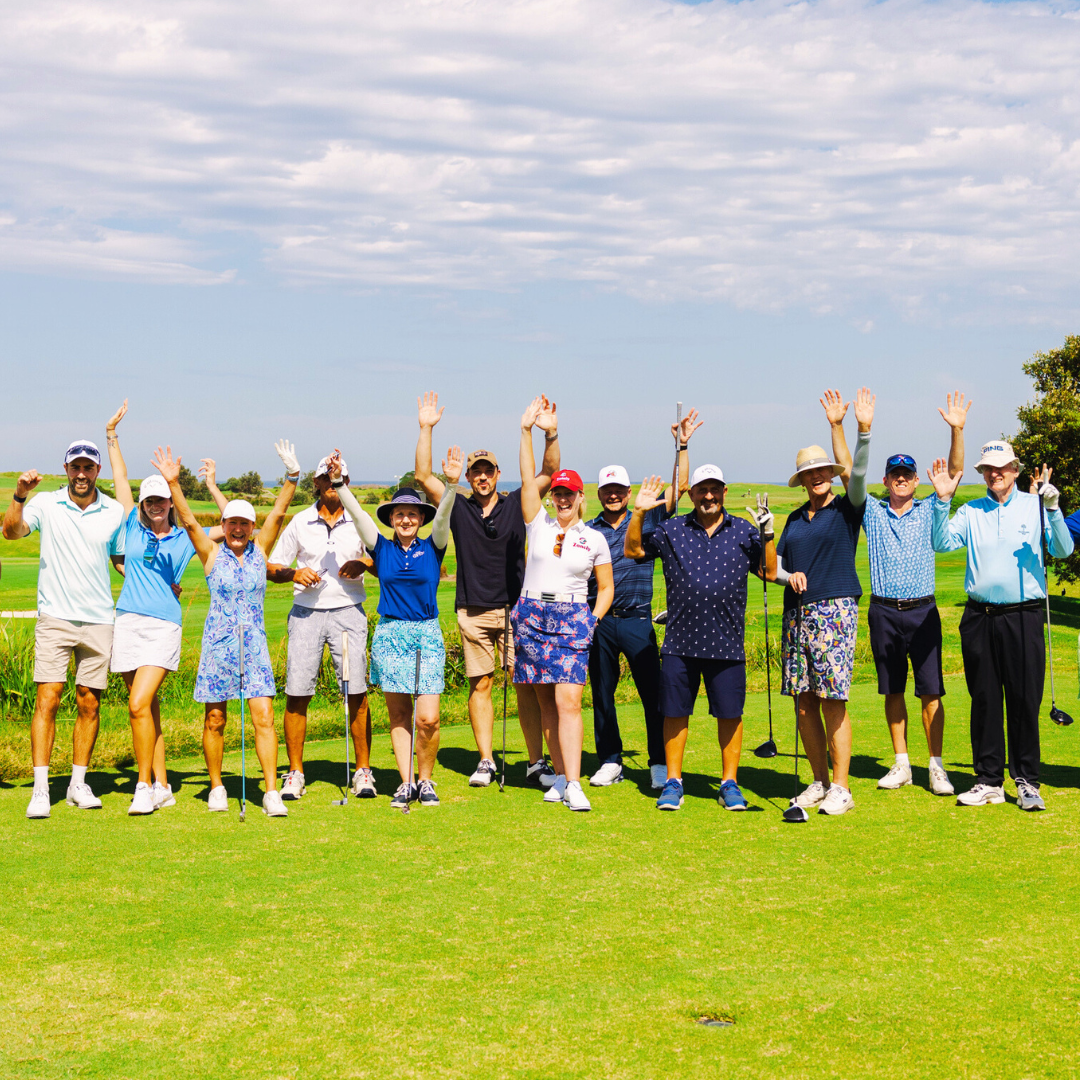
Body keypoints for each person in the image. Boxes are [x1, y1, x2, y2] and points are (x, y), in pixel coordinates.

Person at [413, 391, 560, 788]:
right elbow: (422, 475)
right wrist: (426, 428)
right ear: (469, 477)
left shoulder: (518, 503)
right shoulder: (455, 505)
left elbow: (548, 472)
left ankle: (535, 762)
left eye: (487, 471)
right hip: (473, 609)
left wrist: (549, 435)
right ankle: (484, 761)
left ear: (497, 475)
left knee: (526, 684)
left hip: (517, 609)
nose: (480, 476)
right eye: (475, 471)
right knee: (481, 685)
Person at [829, 390, 969, 797]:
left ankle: (936, 766)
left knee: (930, 691)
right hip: (884, 612)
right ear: (887, 480)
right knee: (892, 689)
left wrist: (956, 432)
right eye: (896, 474)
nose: (903, 478)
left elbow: (954, 473)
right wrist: (848, 427)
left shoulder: (931, 508)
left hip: (923, 611)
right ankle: (902, 762)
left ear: (916, 479)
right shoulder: (870, 510)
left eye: (908, 473)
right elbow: (848, 473)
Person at [156, 441, 299, 816]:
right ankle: (217, 787)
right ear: (223, 526)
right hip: (218, 646)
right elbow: (186, 520)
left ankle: (270, 792)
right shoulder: (212, 553)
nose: (237, 528)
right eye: (231, 523)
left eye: (244, 523)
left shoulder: (261, 549)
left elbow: (279, 514)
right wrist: (174, 484)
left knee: (263, 717)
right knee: (215, 718)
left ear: (252, 527)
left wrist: (292, 477)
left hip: (254, 646)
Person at [931, 443, 1073, 810]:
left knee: (1025, 699)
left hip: (1023, 615)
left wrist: (1054, 510)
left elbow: (1062, 550)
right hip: (979, 616)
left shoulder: (1035, 504)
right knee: (985, 699)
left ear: (1015, 469)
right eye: (988, 469)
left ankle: (1027, 781)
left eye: (1002, 467)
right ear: (982, 473)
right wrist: (941, 501)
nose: (995, 474)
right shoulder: (972, 510)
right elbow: (941, 542)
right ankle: (988, 780)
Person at [625, 465, 776, 811]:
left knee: (730, 715)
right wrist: (638, 512)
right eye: (701, 490)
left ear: (724, 492)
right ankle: (674, 781)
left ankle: (729, 783)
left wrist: (767, 536)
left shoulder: (743, 530)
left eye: (715, 489)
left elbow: (767, 571)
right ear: (691, 494)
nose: (708, 496)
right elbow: (633, 551)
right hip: (680, 642)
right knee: (675, 713)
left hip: (727, 641)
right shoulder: (672, 528)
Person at [3, 439, 126, 820]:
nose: (82, 474)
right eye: (76, 467)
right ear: (66, 469)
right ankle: (41, 790)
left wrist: (158, 581)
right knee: (49, 698)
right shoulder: (44, 503)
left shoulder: (115, 511)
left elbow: (120, 560)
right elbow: (10, 532)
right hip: (55, 616)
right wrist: (20, 496)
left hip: (99, 618)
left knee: (90, 701)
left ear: (97, 472)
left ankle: (77, 784)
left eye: (89, 467)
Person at [331, 452, 459, 809]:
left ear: (421, 518)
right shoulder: (382, 548)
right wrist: (340, 484)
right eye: (399, 513)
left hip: (426, 635)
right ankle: (406, 783)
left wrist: (450, 485)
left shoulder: (433, 546)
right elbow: (357, 516)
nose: (405, 519)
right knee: (400, 715)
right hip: (391, 635)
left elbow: (445, 515)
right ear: (391, 519)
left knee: (428, 718)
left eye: (412, 513)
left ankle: (426, 779)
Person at [586, 409, 700, 790]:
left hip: (637, 620)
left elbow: (680, 485)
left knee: (654, 694)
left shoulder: (649, 517)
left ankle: (656, 761)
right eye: (607, 490)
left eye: (620, 489)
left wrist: (681, 445)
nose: (614, 494)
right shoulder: (589, 530)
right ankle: (610, 759)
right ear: (599, 493)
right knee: (602, 693)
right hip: (600, 620)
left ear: (629, 492)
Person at [775, 387, 874, 817]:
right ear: (802, 480)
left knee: (833, 698)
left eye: (821, 470)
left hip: (834, 609)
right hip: (795, 615)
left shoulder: (848, 507)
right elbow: (770, 567)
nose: (816, 476)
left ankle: (841, 787)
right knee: (803, 701)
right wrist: (784, 571)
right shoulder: (795, 519)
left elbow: (857, 473)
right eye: (809, 473)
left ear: (830, 475)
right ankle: (817, 780)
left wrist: (846, 427)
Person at [512, 399, 614, 811]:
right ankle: (557, 775)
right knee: (544, 701)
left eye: (569, 493)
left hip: (572, 616)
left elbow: (605, 588)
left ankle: (573, 782)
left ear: (579, 496)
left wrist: (591, 620)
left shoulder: (595, 538)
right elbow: (525, 479)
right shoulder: (537, 523)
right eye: (557, 492)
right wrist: (526, 432)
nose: (563, 498)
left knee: (569, 701)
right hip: (532, 614)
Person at [104, 400, 198, 815]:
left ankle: (142, 786)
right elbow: (120, 478)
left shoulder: (181, 538)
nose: (156, 506)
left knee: (138, 704)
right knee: (148, 710)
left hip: (163, 625)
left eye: (162, 501)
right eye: (150, 502)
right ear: (142, 505)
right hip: (126, 621)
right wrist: (112, 435)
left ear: (168, 502)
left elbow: (227, 530)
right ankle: (162, 784)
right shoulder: (131, 524)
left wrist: (176, 483)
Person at [267, 455, 376, 801]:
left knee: (355, 691)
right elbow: (272, 567)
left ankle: (362, 772)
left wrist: (364, 562)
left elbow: (383, 559)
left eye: (338, 478)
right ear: (315, 484)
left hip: (348, 613)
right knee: (297, 692)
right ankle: (295, 773)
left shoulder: (359, 519)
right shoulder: (300, 522)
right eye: (325, 480)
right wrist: (293, 574)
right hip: (306, 615)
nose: (331, 484)